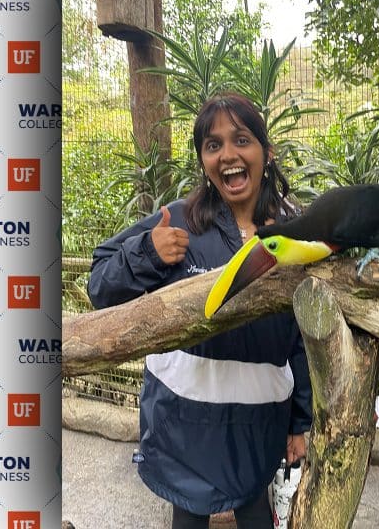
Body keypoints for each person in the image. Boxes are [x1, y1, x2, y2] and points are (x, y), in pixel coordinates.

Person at [87, 93, 312, 529]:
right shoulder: (179, 220)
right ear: (203, 161)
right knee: (187, 516)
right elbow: (100, 285)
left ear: (265, 152)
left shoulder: (294, 230)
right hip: (183, 425)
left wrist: (298, 423)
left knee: (255, 512)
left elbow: (302, 336)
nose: (228, 154)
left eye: (241, 139)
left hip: (257, 423)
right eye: (213, 145)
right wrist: (146, 254)